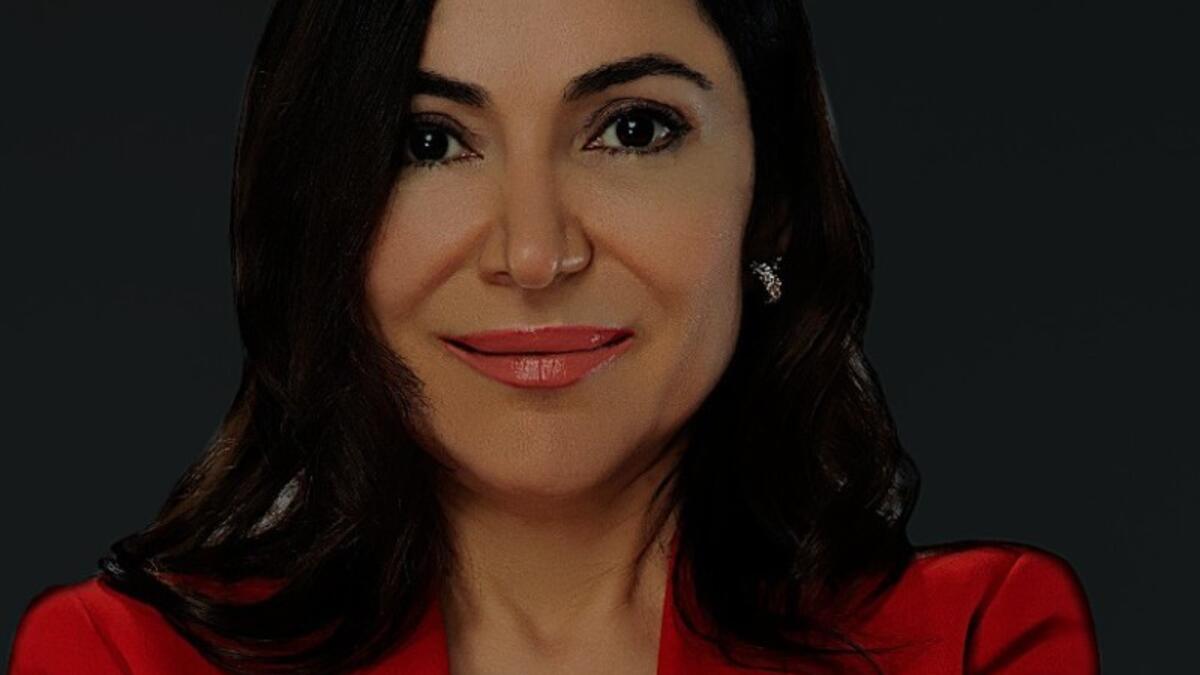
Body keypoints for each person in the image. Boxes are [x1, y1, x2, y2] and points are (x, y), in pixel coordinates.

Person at [8, 0, 1100, 673]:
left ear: (769, 204)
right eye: (428, 142)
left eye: (633, 129)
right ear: (321, 216)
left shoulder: (975, 641)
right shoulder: (123, 659)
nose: (534, 254)